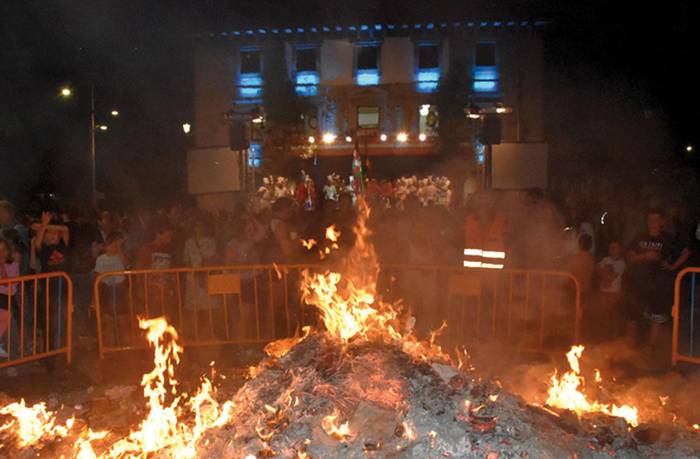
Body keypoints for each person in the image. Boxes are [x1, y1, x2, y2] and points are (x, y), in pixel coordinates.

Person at [624, 209, 690, 348]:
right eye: (650, 220)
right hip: (638, 282)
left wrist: (672, 266)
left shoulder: (668, 238)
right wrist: (644, 256)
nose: (653, 223)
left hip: (659, 284)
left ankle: (650, 347)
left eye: (656, 220)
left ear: (662, 222)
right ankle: (629, 347)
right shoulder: (640, 237)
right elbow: (630, 256)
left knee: (656, 315)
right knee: (633, 313)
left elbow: (686, 252)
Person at [598, 241, 626, 338]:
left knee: (614, 315)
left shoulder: (621, 263)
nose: (613, 250)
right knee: (604, 315)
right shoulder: (605, 259)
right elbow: (598, 270)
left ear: (620, 250)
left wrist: (605, 274)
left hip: (614, 292)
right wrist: (604, 274)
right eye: (611, 248)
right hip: (604, 291)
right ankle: (604, 336)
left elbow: (613, 276)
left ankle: (614, 337)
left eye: (615, 247)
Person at [0, 239, 20, 359]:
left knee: (10, 328)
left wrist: (2, 265)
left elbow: (7, 283)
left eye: (3, 249)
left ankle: (11, 359)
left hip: (8, 299)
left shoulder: (13, 265)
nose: (1, 252)